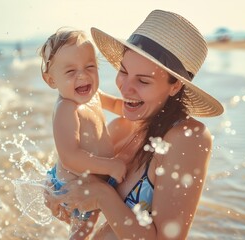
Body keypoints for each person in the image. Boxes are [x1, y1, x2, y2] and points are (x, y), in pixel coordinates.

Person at [44, 10, 224, 239]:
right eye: (123, 71)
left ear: (175, 86)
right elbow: (75, 168)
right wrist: (57, 194)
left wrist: (102, 195)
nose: (125, 87)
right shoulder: (122, 129)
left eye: (143, 80)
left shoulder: (188, 136)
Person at [39, 28, 127, 239]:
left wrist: (141, 108)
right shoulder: (66, 109)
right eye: (70, 72)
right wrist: (110, 166)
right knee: (81, 234)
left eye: (90, 67)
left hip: (93, 179)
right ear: (51, 80)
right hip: (74, 184)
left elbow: (116, 105)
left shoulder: (94, 94)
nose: (83, 75)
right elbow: (70, 158)